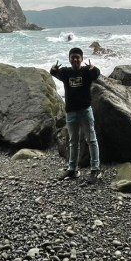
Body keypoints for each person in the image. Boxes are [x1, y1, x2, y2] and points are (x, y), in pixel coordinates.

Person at [50, 47, 101, 182]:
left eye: (77, 57)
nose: (75, 59)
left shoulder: (87, 72)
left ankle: (95, 170)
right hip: (71, 112)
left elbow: (97, 74)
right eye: (73, 57)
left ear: (82, 59)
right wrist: (53, 68)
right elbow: (53, 72)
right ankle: (72, 169)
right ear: (69, 59)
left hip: (85, 111)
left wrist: (93, 68)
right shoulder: (66, 72)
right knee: (73, 142)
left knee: (91, 140)